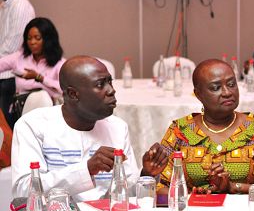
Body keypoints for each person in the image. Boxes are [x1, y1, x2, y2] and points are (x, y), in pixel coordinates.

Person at [11, 56, 167, 201]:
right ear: (73, 94)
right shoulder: (33, 126)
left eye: (110, 82)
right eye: (100, 84)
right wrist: (87, 169)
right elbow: (24, 192)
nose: (111, 90)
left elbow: (125, 196)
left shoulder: (117, 127)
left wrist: (147, 175)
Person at [156, 59, 254, 195]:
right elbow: (158, 186)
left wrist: (233, 187)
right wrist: (190, 196)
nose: (227, 92)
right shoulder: (180, 130)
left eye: (231, 84)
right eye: (215, 88)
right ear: (198, 94)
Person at [0, 17, 65, 124]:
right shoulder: (19, 57)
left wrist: (40, 78)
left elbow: (64, 89)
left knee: (42, 96)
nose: (32, 42)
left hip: (49, 114)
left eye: (37, 38)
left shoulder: (59, 63)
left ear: (48, 39)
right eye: (29, 38)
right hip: (20, 112)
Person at [0, 0, 35, 127]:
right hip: (3, 73)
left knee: (7, 126)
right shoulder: (6, 6)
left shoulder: (21, 7)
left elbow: (11, 47)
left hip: (10, 77)